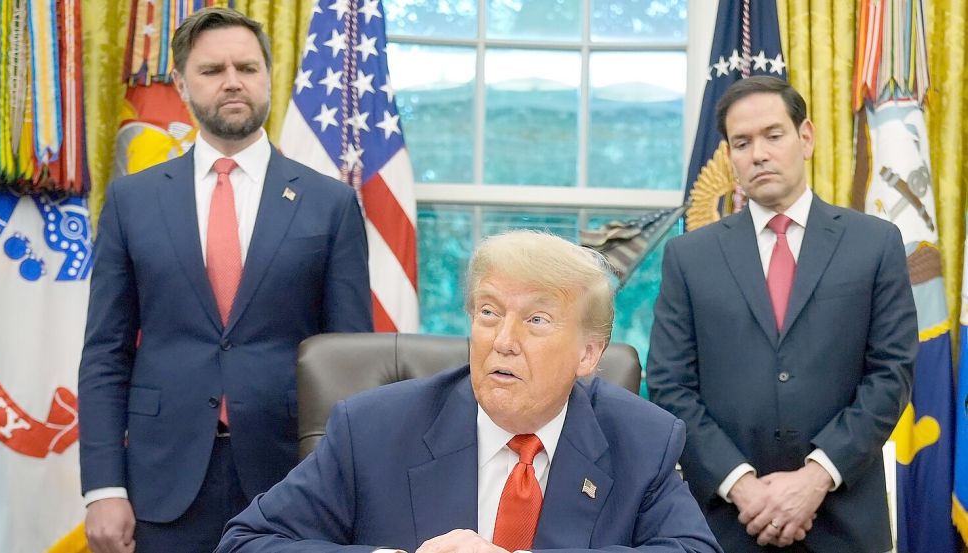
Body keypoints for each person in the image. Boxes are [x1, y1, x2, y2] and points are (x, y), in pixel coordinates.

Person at [215, 230, 722, 553]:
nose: (503, 340)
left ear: (588, 355)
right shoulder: (373, 430)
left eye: (537, 320)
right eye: (489, 312)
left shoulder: (642, 439)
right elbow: (246, 542)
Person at [78, 7, 373, 553]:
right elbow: (105, 354)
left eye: (247, 67)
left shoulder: (330, 204)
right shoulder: (131, 200)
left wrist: (349, 482)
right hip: (160, 483)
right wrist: (103, 488)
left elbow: (351, 358)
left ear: (268, 76)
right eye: (213, 70)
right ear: (181, 83)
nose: (233, 81)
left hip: (291, 481)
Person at [646, 75, 917, 553]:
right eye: (742, 142)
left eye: (773, 135)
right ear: (729, 156)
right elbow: (670, 385)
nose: (759, 154)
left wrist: (816, 478)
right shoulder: (689, 256)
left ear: (805, 137)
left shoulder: (874, 244)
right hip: (726, 521)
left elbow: (891, 373)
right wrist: (741, 486)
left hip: (844, 518)